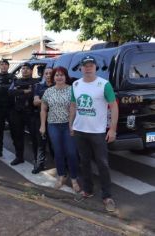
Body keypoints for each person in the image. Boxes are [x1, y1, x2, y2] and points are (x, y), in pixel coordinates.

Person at [70, 55, 118, 212]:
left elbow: (114, 107)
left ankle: (107, 196)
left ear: (95, 67)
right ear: (81, 68)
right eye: (85, 65)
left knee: (102, 164)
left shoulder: (104, 84)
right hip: (80, 131)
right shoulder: (76, 84)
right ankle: (88, 190)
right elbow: (73, 106)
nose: (88, 67)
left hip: (97, 132)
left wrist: (112, 129)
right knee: (84, 162)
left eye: (91, 65)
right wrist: (71, 125)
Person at [40, 66, 80, 192]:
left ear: (65, 76)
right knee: (58, 152)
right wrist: (42, 125)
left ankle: (74, 178)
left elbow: (76, 108)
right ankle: (61, 176)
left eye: (62, 75)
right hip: (53, 125)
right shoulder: (48, 91)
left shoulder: (72, 90)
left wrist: (73, 124)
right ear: (53, 78)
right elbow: (43, 109)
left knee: (72, 153)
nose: (59, 77)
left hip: (68, 125)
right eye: (56, 75)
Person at [8, 62, 38, 165]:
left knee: (34, 137)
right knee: (17, 136)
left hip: (31, 112)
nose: (24, 70)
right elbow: (10, 92)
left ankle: (37, 158)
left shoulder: (36, 82)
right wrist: (24, 91)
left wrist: (19, 90)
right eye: (23, 68)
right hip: (18, 112)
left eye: (27, 69)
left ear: (31, 71)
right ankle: (19, 157)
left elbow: (35, 92)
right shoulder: (16, 81)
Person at [0, 59, 17, 159]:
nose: (4, 66)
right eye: (2, 64)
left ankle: (18, 153)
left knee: (15, 130)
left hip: (11, 108)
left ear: (8, 66)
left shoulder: (13, 77)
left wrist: (1, 88)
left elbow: (15, 89)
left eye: (6, 64)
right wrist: (7, 88)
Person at [32, 67, 54, 174]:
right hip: (41, 118)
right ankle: (39, 164)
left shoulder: (57, 86)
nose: (48, 75)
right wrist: (49, 101)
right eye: (46, 73)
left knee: (54, 143)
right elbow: (35, 102)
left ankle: (60, 165)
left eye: (51, 73)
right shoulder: (39, 86)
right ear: (43, 75)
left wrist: (42, 100)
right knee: (41, 142)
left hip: (55, 118)